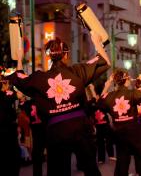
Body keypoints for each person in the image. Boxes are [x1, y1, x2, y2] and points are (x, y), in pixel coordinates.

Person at [8, 36, 110, 176]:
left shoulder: (39, 78)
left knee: (58, 172)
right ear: (66, 54)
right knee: (91, 170)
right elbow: (105, 61)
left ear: (49, 56)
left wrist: (19, 58)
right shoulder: (78, 71)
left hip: (56, 131)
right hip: (80, 126)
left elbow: (19, 78)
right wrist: (97, 43)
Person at [100, 69, 141, 176]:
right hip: (134, 130)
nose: (130, 80)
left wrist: (107, 84)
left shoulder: (109, 96)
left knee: (122, 160)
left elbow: (100, 101)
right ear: (126, 80)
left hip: (119, 131)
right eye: (129, 78)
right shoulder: (132, 93)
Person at [0, 78, 20, 176]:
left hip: (7, 128)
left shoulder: (8, 95)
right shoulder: (9, 95)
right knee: (12, 154)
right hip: (9, 128)